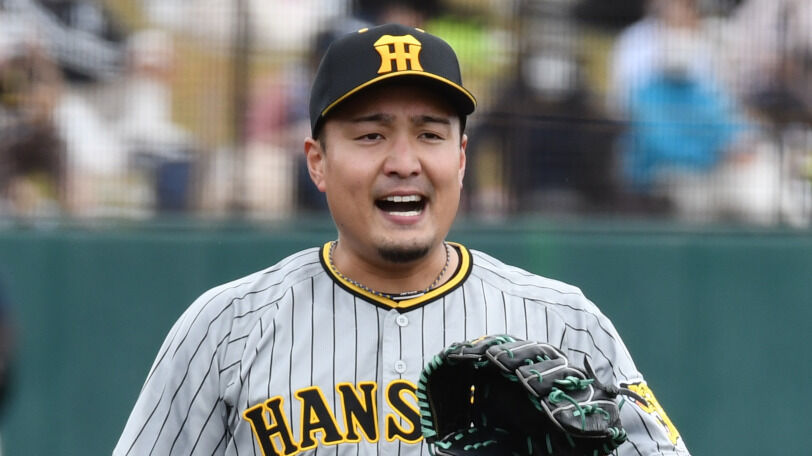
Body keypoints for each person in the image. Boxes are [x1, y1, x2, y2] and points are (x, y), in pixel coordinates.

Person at [114, 24, 689, 455]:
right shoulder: (225, 330)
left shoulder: (565, 323)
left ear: (461, 158)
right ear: (317, 161)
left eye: (430, 134)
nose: (404, 162)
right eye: (371, 135)